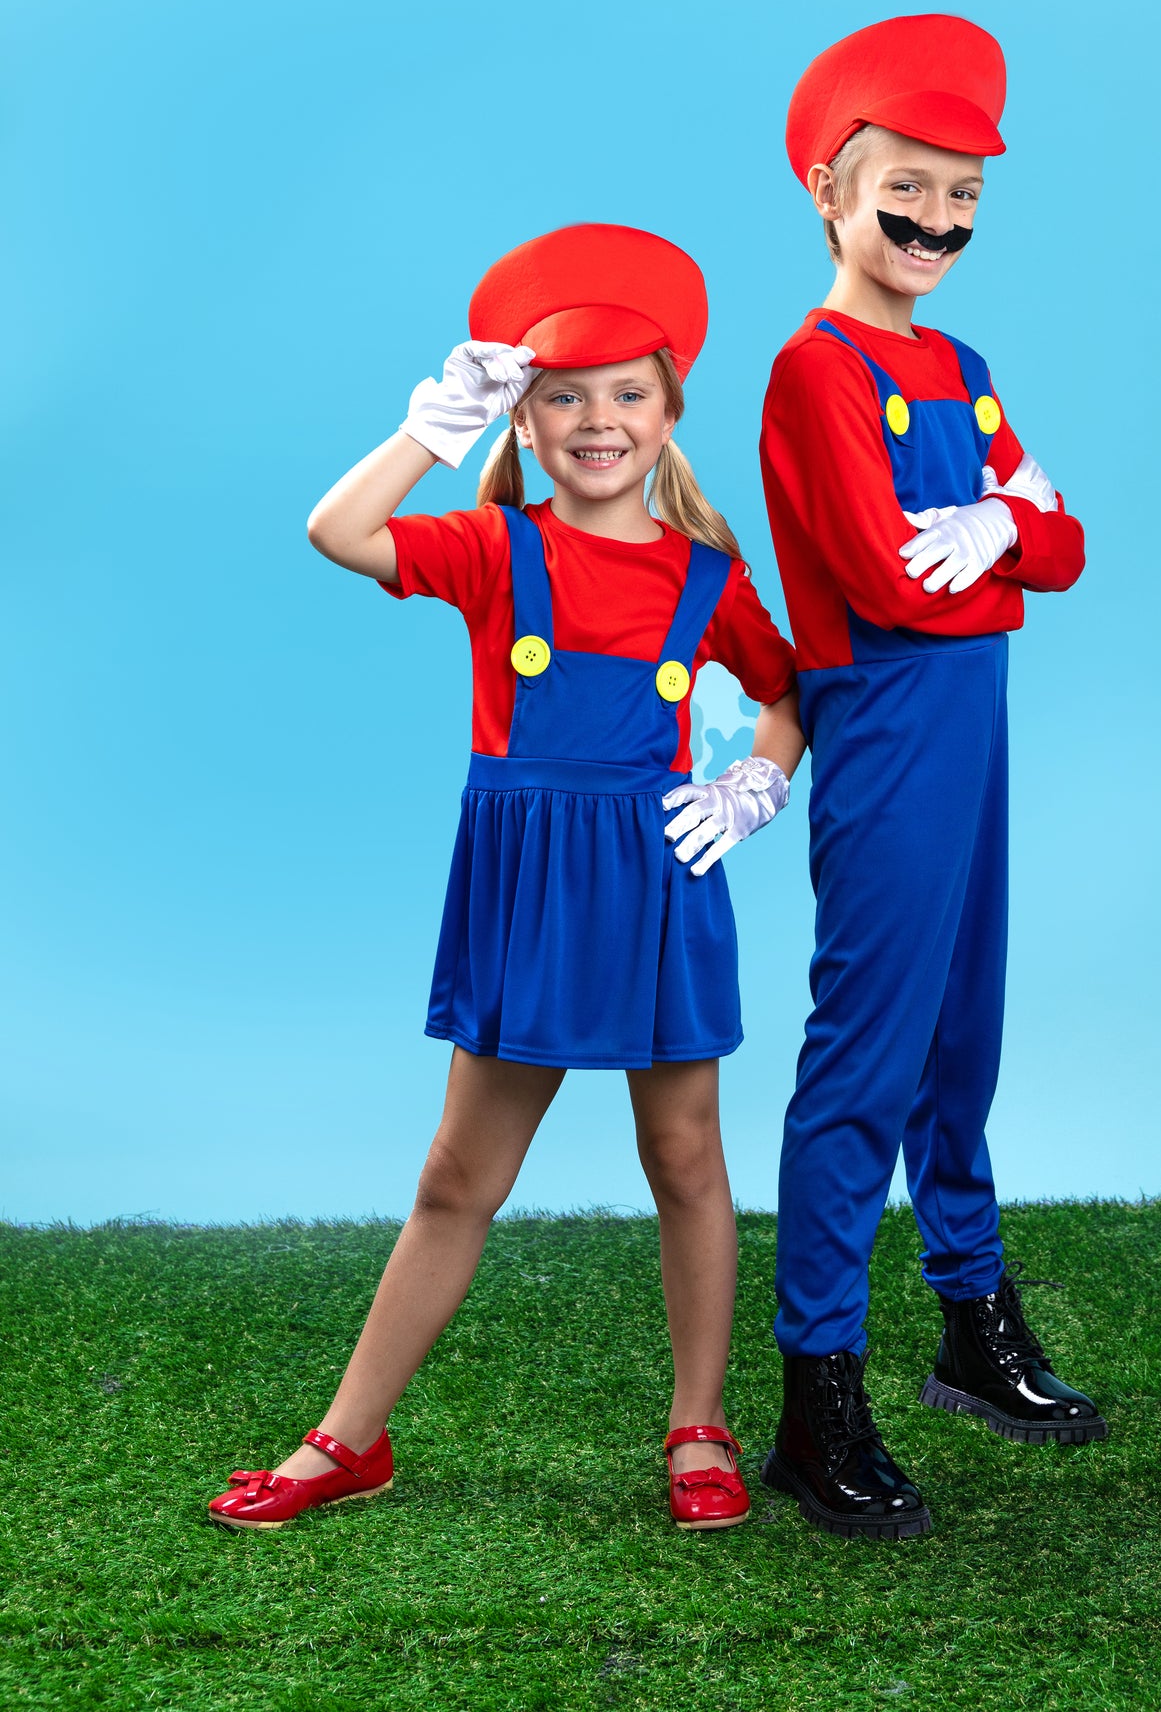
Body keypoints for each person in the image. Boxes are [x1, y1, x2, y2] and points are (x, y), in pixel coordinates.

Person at [207, 225, 802, 1534]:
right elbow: (338, 529)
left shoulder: (709, 578)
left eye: (627, 394)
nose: (599, 421)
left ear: (669, 413)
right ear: (522, 421)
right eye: (563, 397)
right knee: (457, 1179)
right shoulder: (492, 550)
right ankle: (346, 1439)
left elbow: (787, 694)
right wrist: (430, 427)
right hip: (527, 891)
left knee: (686, 1160)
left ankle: (699, 1426)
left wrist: (754, 785)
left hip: (656, 886)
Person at [757, 15, 1103, 1542]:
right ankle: (815, 1393)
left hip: (976, 726)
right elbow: (886, 580)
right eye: (907, 187)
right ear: (831, 190)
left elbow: (1067, 546)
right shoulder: (811, 369)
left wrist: (1008, 531)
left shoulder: (959, 365)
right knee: (867, 1060)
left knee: (963, 1043)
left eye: (963, 195)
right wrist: (1009, 530)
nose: (937, 221)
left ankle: (971, 1324)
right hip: (888, 727)